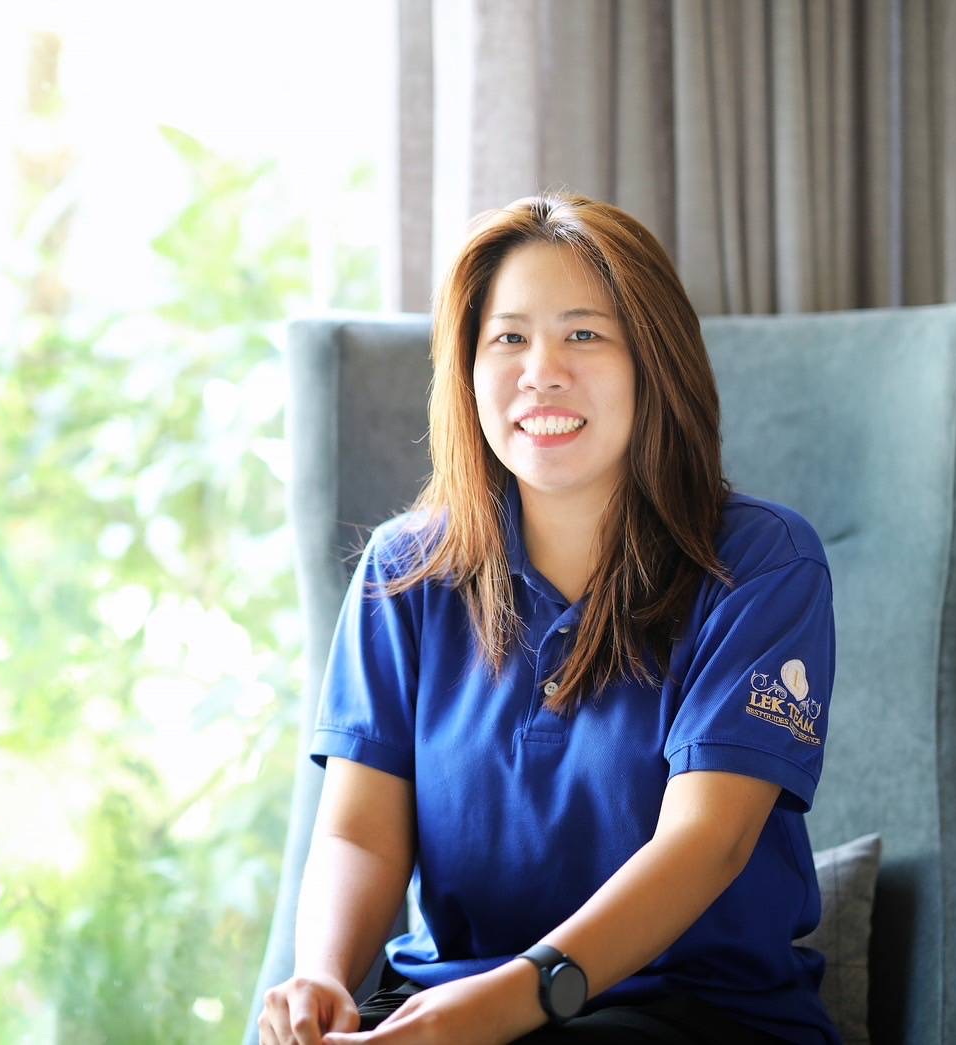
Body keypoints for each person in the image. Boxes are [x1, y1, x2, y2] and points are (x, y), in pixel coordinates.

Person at [257, 192, 841, 1045]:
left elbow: (707, 840)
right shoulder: (402, 571)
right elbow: (359, 835)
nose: (541, 371)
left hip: (693, 1012)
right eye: (508, 338)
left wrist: (510, 1000)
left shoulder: (762, 562)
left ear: (655, 361)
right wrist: (321, 975)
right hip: (440, 1006)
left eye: (584, 334)